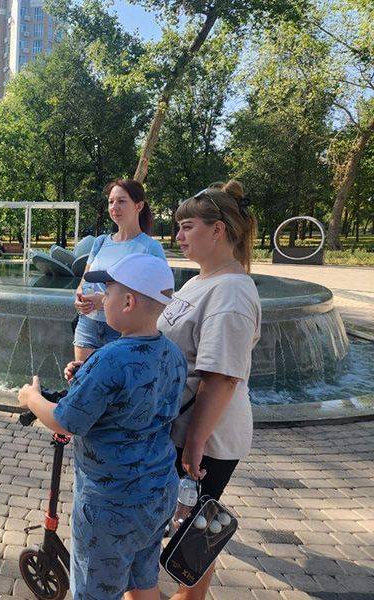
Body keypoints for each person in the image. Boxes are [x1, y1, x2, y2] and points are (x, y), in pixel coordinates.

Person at [19, 254, 187, 600]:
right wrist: (87, 376)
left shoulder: (110, 358)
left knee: (95, 591)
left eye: (107, 292)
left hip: (111, 504)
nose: (102, 299)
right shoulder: (172, 353)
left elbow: (66, 420)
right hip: (158, 490)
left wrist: (31, 397)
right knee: (144, 580)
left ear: (128, 302)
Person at [157, 180, 261, 600]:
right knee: (190, 527)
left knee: (192, 534)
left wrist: (194, 443)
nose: (178, 236)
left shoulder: (232, 292)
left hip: (207, 437)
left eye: (187, 227)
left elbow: (221, 377)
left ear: (217, 230)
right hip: (186, 428)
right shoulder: (203, 280)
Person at [74, 179, 166, 362]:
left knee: (116, 388)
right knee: (81, 383)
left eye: (122, 201)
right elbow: (83, 283)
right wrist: (79, 300)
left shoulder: (151, 248)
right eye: (111, 201)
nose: (114, 206)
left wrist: (106, 301)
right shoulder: (100, 242)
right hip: (88, 325)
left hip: (124, 331)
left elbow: (161, 298)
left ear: (138, 206)